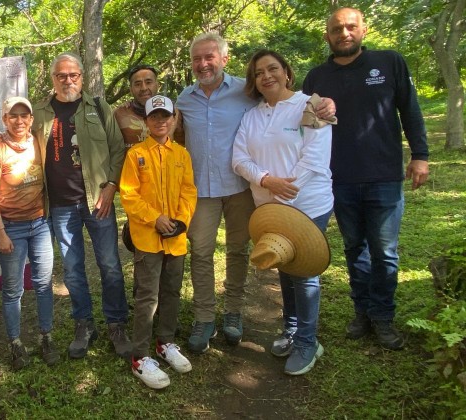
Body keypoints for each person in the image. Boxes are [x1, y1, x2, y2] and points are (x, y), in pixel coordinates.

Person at [175, 33, 335, 354]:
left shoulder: (246, 93)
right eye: (197, 59)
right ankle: (205, 317)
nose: (203, 64)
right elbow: (165, 129)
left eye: (210, 57)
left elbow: (296, 113)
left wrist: (324, 105)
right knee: (202, 253)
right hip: (202, 191)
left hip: (242, 191)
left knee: (237, 251)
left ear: (223, 58)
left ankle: (233, 312)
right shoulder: (184, 99)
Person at [303, 7, 429, 350]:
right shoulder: (316, 78)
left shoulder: (389, 63)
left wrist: (420, 156)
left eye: (350, 27)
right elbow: (305, 128)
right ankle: (362, 312)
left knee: (385, 252)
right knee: (354, 248)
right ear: (327, 36)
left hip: (384, 176)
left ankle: (383, 317)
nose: (344, 33)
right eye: (336, 29)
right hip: (339, 178)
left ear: (363, 29)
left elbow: (410, 109)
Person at [232, 50, 334, 375]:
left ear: (287, 72)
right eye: (259, 73)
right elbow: (239, 158)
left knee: (304, 274)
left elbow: (314, 158)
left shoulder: (311, 105)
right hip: (271, 210)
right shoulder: (252, 116)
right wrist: (266, 180)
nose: (266, 76)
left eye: (272, 69)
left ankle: (308, 342)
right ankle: (291, 329)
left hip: (307, 206)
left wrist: (284, 190)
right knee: (284, 267)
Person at [31, 52, 131, 359]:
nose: (67, 80)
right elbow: (19, 142)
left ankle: (116, 324)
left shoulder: (99, 108)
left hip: (97, 199)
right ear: (53, 79)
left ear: (82, 77)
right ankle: (84, 324)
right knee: (73, 270)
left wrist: (111, 186)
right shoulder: (40, 112)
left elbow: (118, 150)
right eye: (61, 75)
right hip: (61, 204)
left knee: (110, 265)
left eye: (73, 75)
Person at [120, 95, 197, 389]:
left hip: (175, 238)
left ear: (174, 120)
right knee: (147, 297)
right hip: (148, 238)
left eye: (166, 116)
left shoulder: (182, 155)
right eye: (155, 117)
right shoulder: (136, 154)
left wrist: (180, 221)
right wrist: (155, 218)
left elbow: (188, 191)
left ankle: (165, 343)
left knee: (172, 291)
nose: (161, 121)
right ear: (146, 121)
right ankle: (139, 357)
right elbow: (129, 194)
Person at [0, 97, 59, 370]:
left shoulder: (39, 142)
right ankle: (15, 343)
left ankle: (45, 336)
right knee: (13, 289)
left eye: (24, 115)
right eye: (13, 116)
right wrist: (0, 233)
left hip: (40, 224)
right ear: (4, 119)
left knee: (43, 283)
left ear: (31, 119)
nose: (19, 121)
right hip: (11, 227)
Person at [114, 64, 161, 148]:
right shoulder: (119, 114)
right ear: (131, 89)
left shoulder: (173, 113)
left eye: (148, 82)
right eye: (137, 84)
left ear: (157, 85)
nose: (143, 88)